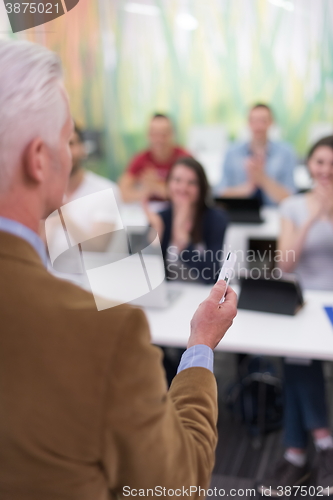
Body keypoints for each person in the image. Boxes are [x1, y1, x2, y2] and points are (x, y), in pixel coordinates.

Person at [0, 40, 238, 500]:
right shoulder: (105, 334)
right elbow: (179, 484)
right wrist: (202, 346)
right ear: (39, 159)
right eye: (69, 140)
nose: (75, 155)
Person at [258, 136, 333, 496]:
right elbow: (284, 264)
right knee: (299, 358)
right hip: (301, 302)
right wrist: (312, 220)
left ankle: (295, 452)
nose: (326, 171)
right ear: (309, 165)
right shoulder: (292, 206)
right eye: (320, 162)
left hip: (330, 304)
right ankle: (322, 443)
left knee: (297, 362)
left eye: (332, 164)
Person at [145, 156, 229, 285]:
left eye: (191, 183)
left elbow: (210, 275)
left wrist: (182, 236)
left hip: (204, 294)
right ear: (168, 184)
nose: (183, 188)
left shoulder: (216, 219)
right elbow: (146, 276)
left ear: (202, 188)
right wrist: (156, 235)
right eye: (177, 180)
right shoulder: (160, 218)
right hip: (170, 295)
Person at [43, 123, 122, 254]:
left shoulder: (105, 191)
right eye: (59, 146)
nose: (65, 152)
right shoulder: (45, 192)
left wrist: (63, 218)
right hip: (48, 274)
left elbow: (97, 248)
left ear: (83, 149)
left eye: (71, 143)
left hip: (85, 275)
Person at [218, 104, 296, 205]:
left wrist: (262, 178)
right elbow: (220, 193)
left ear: (271, 122)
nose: (258, 126)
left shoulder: (286, 153)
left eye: (263, 121)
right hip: (240, 214)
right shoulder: (232, 153)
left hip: (274, 213)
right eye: (253, 121)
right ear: (248, 123)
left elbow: (291, 198)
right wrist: (248, 187)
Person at [119, 113, 190, 202]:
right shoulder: (141, 159)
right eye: (154, 134)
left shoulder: (184, 158)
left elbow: (190, 193)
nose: (159, 139)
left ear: (172, 134)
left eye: (164, 134)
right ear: (148, 135)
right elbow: (123, 192)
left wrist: (155, 186)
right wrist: (145, 192)